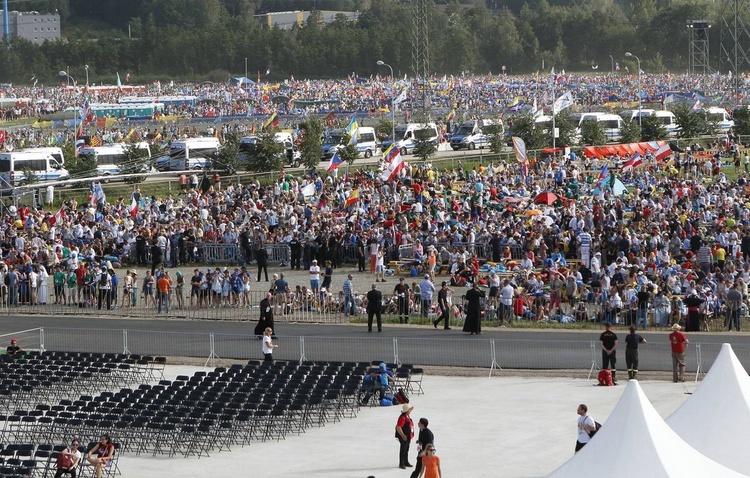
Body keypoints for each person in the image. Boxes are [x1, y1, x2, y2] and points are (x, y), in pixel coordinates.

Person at [395, 404, 415, 469]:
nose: (410, 411)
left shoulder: (406, 415)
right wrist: (403, 435)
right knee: (403, 450)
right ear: (406, 411)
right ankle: (401, 463)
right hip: (404, 436)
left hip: (408, 436)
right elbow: (398, 427)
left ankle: (406, 461)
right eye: (409, 410)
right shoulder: (402, 417)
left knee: (407, 449)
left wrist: (411, 408)